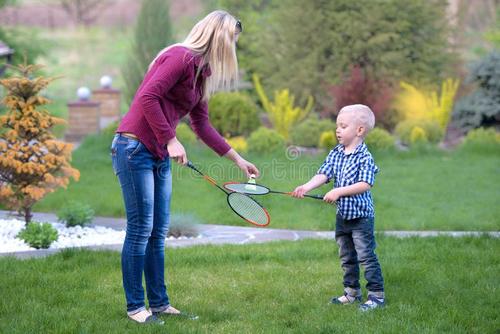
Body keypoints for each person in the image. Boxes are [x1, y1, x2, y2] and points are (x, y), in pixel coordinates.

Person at [111, 10, 259, 324]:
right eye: (231, 39)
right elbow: (147, 96)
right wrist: (170, 139)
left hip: (157, 153)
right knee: (140, 230)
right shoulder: (180, 57)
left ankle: (160, 303)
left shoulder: (201, 74)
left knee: (157, 232)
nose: (232, 46)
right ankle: (136, 307)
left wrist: (238, 159)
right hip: (133, 147)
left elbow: (201, 124)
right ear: (217, 37)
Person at [291, 104, 385, 311]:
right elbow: (324, 173)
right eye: (337, 126)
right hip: (343, 216)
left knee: (366, 256)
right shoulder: (337, 153)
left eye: (343, 126)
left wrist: (338, 191)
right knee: (347, 256)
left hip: (361, 218)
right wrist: (306, 187)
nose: (338, 130)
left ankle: (376, 296)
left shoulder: (364, 156)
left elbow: (365, 184)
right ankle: (351, 293)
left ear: (359, 130)